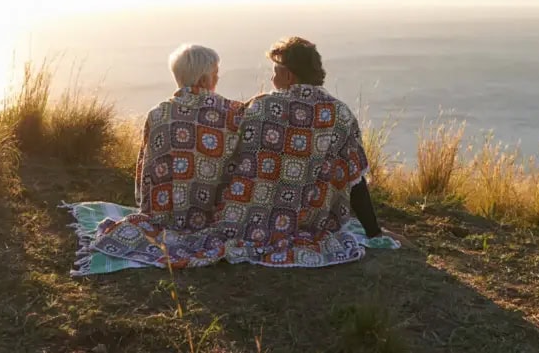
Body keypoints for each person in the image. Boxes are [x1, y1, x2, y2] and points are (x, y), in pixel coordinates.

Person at [213, 36, 388, 267]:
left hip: (259, 219)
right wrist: (373, 231)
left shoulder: (263, 107)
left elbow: (226, 145)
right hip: (315, 220)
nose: (271, 77)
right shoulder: (340, 113)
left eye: (275, 71)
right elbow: (355, 177)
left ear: (289, 75)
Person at [131, 44, 246, 233]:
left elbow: (145, 167)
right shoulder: (231, 113)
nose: (218, 78)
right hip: (213, 216)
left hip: (163, 216)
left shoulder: (157, 114)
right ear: (202, 81)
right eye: (215, 73)